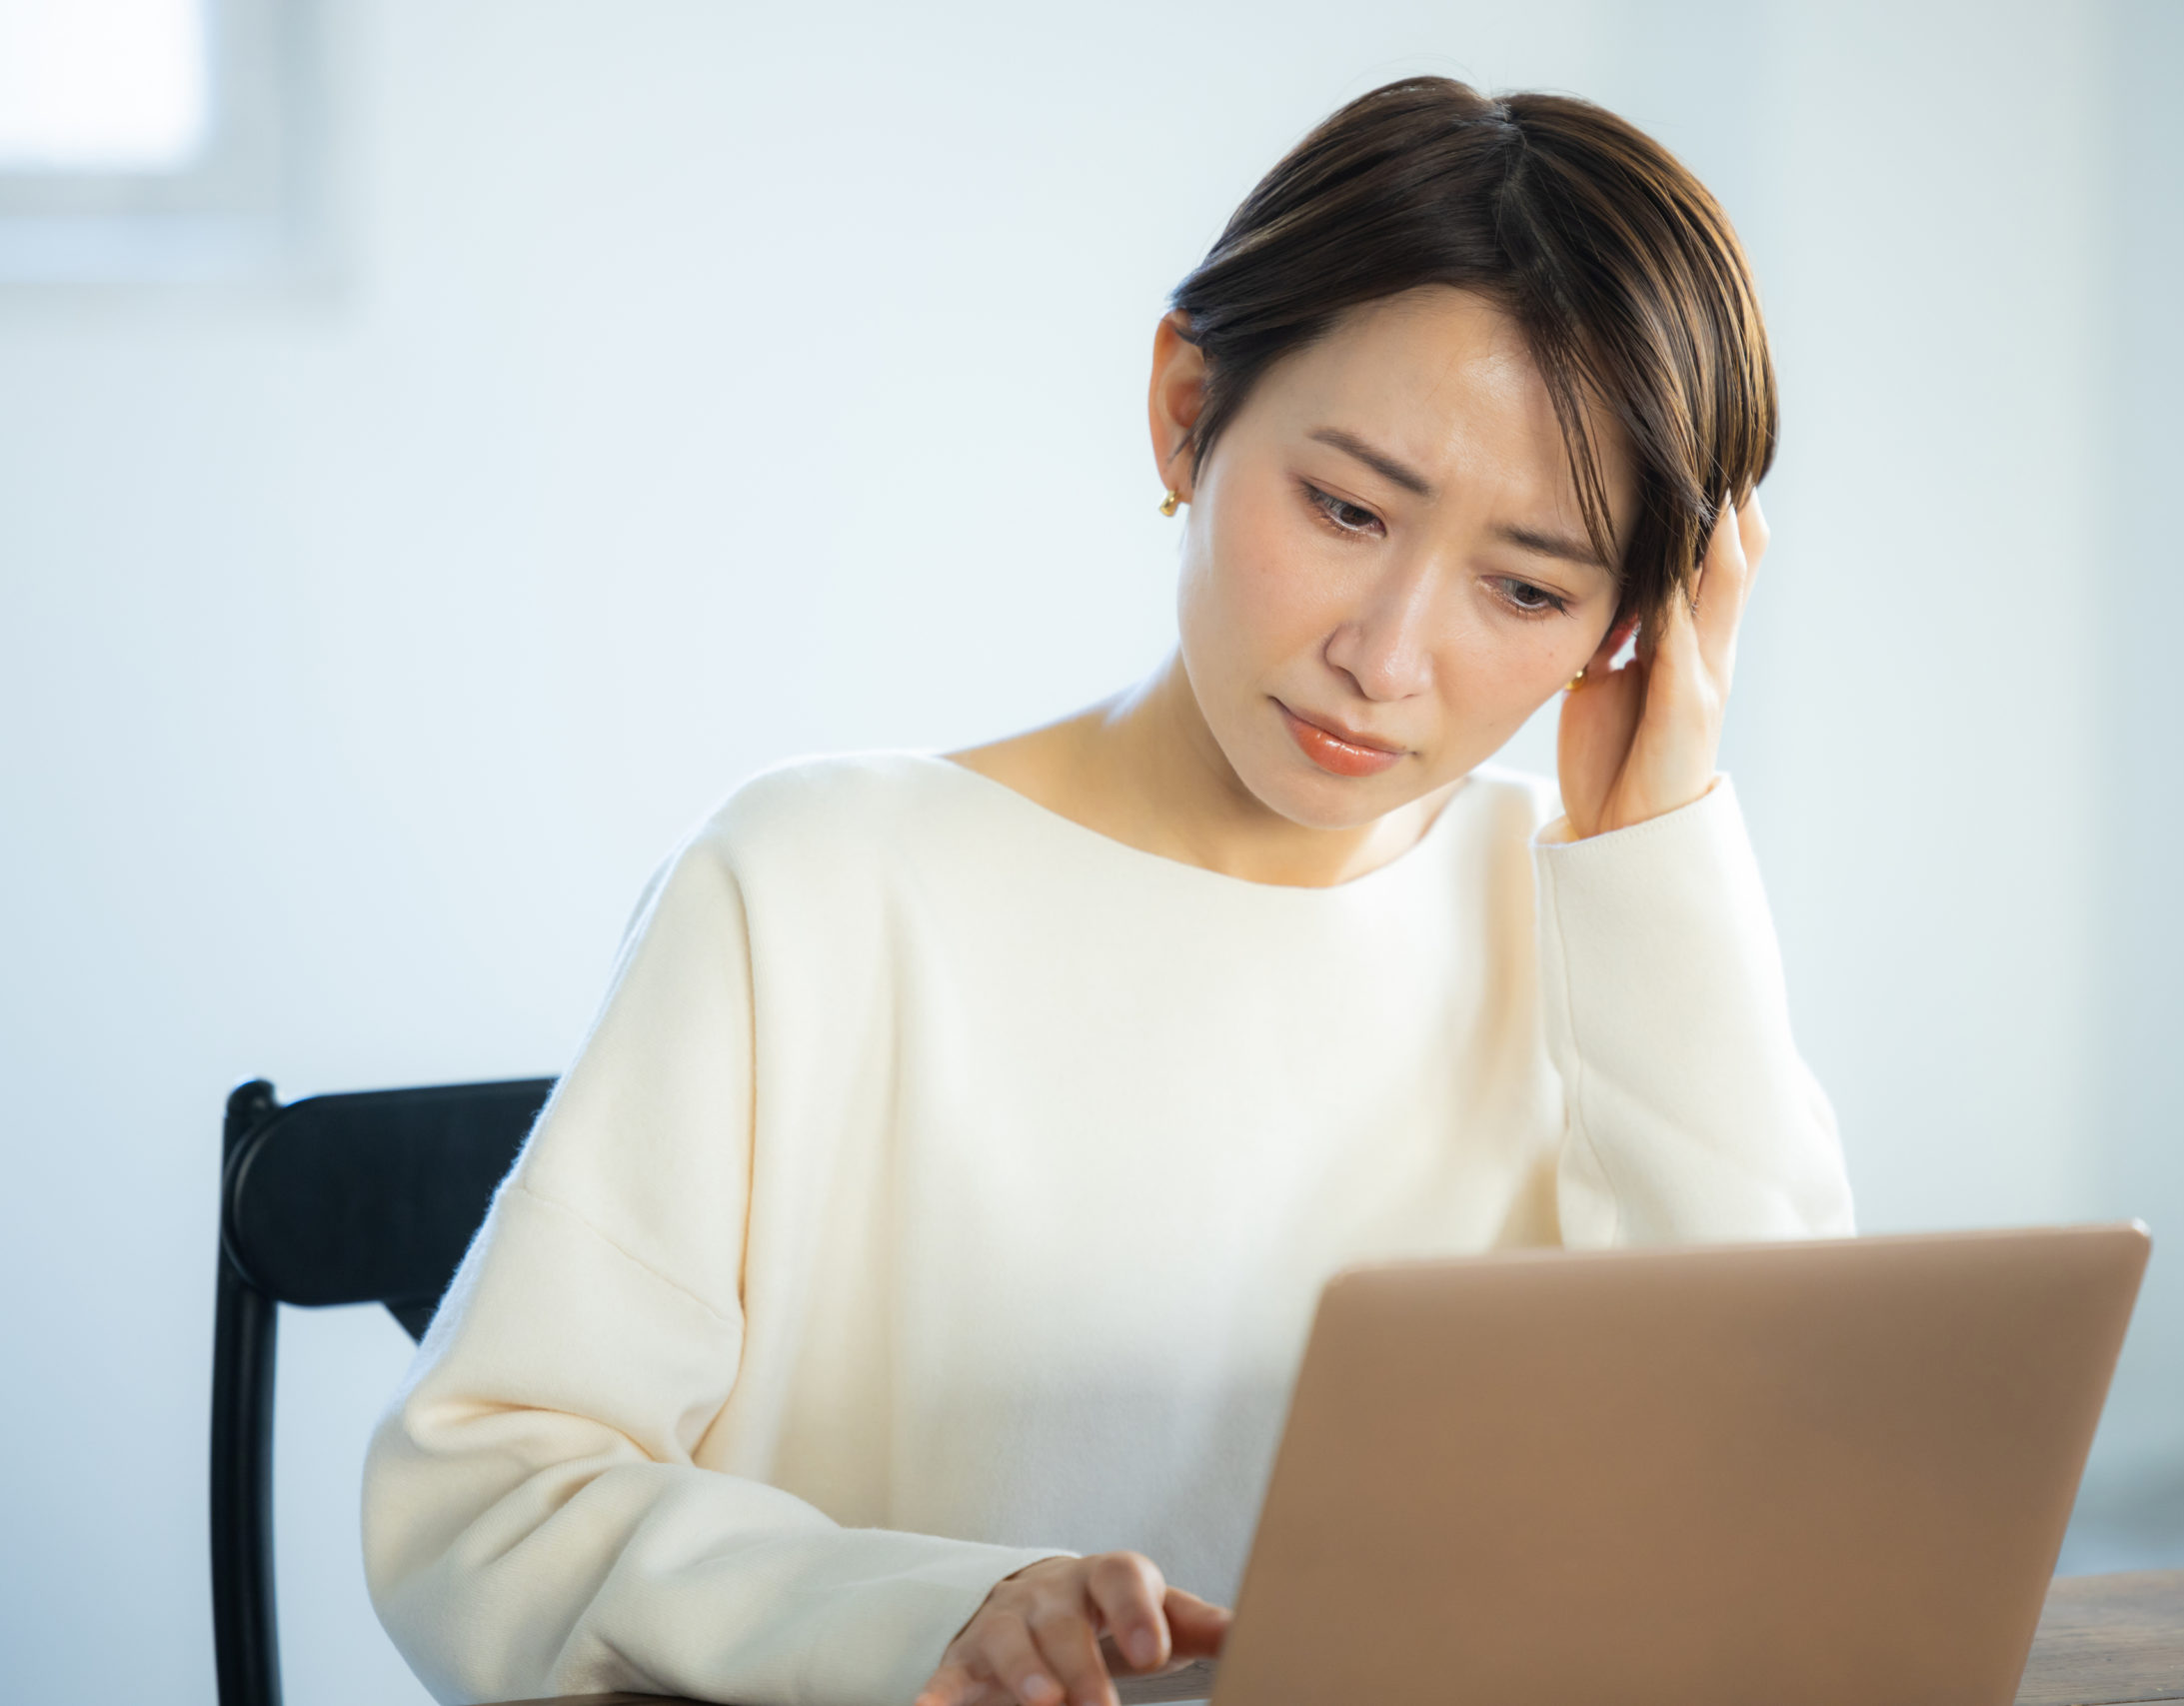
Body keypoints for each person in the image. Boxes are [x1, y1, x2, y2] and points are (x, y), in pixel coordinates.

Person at [362, 75, 1853, 1706]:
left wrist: (1662, 849)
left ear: (1636, 622)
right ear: (1186, 411)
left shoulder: (1600, 932)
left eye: (1527, 586)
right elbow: (487, 1505)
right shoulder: (814, 886)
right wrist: (929, 1617)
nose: (1388, 655)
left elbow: (1777, 1505)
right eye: (1347, 509)